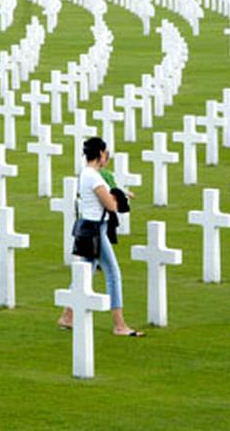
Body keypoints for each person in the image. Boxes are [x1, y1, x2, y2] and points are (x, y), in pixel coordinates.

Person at [58, 137, 144, 336]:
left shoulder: (85, 174)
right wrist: (116, 197)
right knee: (113, 273)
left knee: (85, 273)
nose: (107, 157)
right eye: (105, 153)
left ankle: (67, 315)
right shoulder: (94, 177)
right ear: (100, 154)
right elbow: (111, 206)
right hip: (96, 229)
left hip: (91, 228)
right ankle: (119, 325)